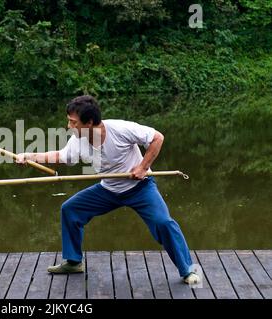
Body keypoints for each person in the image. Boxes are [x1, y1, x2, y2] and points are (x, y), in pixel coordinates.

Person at [16, 95, 200, 285]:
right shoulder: (78, 139)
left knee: (163, 223)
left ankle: (188, 270)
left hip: (140, 188)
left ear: (89, 122)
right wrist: (29, 156)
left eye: (73, 122)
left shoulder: (120, 129)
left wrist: (143, 167)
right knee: (70, 209)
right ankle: (73, 262)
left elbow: (157, 138)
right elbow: (61, 156)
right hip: (108, 190)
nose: (69, 126)